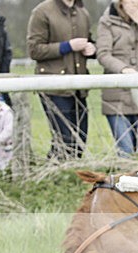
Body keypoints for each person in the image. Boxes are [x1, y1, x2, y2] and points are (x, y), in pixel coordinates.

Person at [27, 0, 96, 160]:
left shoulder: (82, 12)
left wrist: (92, 49)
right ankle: (58, 174)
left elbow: (89, 41)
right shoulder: (42, 12)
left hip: (79, 85)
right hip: (53, 86)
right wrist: (67, 46)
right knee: (65, 139)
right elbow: (34, 50)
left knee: (80, 138)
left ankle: (66, 174)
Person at [97, 0, 138, 156]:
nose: (134, 4)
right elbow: (103, 54)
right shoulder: (107, 21)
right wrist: (123, 69)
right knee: (125, 149)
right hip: (117, 91)